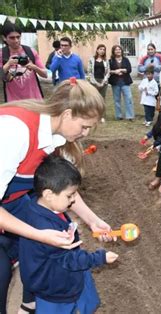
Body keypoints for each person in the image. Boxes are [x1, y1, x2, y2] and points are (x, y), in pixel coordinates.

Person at [0, 79, 114, 314]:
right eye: (84, 126)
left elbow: (64, 188)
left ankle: (30, 302)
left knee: (53, 229)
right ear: (68, 114)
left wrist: (93, 221)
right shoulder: (16, 131)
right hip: (6, 201)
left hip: (11, 199)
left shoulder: (56, 137)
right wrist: (38, 235)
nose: (86, 133)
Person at [19, 156, 119, 313]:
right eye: (70, 195)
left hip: (66, 278)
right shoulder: (43, 227)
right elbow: (68, 259)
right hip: (56, 290)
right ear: (49, 194)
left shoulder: (42, 207)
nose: (73, 200)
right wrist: (100, 258)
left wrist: (87, 224)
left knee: (85, 300)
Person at [0, 21, 47, 102]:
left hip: (34, 98)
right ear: (4, 38)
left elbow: (45, 74)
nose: (16, 40)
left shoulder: (30, 51)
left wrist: (34, 67)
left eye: (18, 37)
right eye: (12, 38)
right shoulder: (2, 54)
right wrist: (8, 64)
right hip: (13, 101)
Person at [109, 44, 134, 121]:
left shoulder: (126, 59)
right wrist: (115, 72)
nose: (118, 51)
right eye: (116, 49)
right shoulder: (110, 61)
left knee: (129, 98)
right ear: (113, 51)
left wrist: (121, 70)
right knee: (117, 99)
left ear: (121, 51)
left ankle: (129, 116)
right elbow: (108, 71)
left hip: (125, 82)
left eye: (119, 49)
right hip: (115, 82)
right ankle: (118, 116)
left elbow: (129, 69)